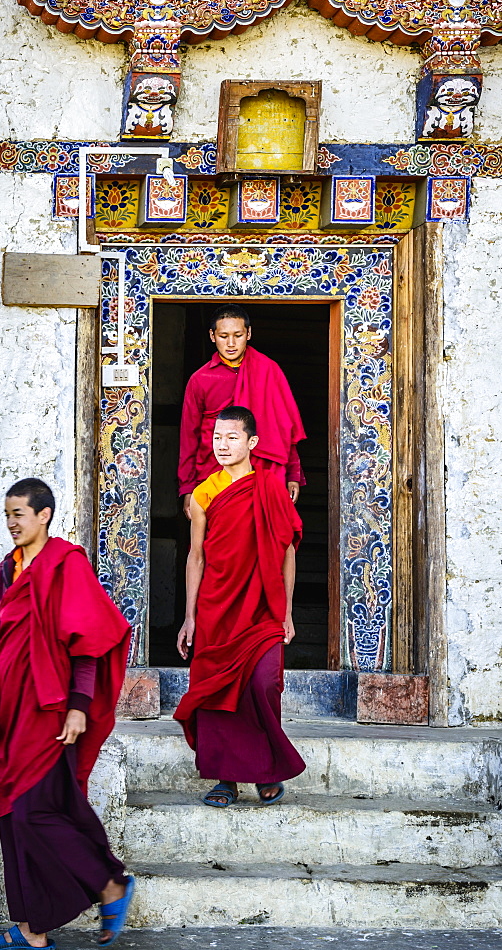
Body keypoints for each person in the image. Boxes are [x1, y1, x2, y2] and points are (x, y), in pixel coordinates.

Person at [0, 478, 135, 950]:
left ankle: (110, 885)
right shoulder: (7, 572)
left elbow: (88, 644)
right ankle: (33, 929)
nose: (11, 524)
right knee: (14, 812)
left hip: (49, 707)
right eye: (7, 515)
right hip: (11, 708)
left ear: (43, 515)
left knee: (32, 813)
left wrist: (78, 707)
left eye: (19, 514)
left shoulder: (67, 565)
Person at [174, 406, 306, 807]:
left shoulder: (270, 487)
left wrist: (286, 612)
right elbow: (196, 556)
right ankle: (226, 779)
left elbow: (286, 551)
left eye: (232, 437)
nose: (223, 445)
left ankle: (266, 767)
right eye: (217, 438)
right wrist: (190, 616)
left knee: (264, 684)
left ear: (252, 443)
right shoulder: (204, 493)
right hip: (217, 607)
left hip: (263, 606)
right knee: (217, 693)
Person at [178, 304, 306, 520]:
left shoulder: (269, 370)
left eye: (237, 335)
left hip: (263, 472)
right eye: (223, 336)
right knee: (216, 540)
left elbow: (285, 426)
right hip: (214, 471)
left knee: (265, 539)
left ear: (248, 333)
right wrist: (188, 488)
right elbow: (189, 437)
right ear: (212, 336)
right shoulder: (200, 380)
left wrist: (293, 473)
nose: (230, 343)